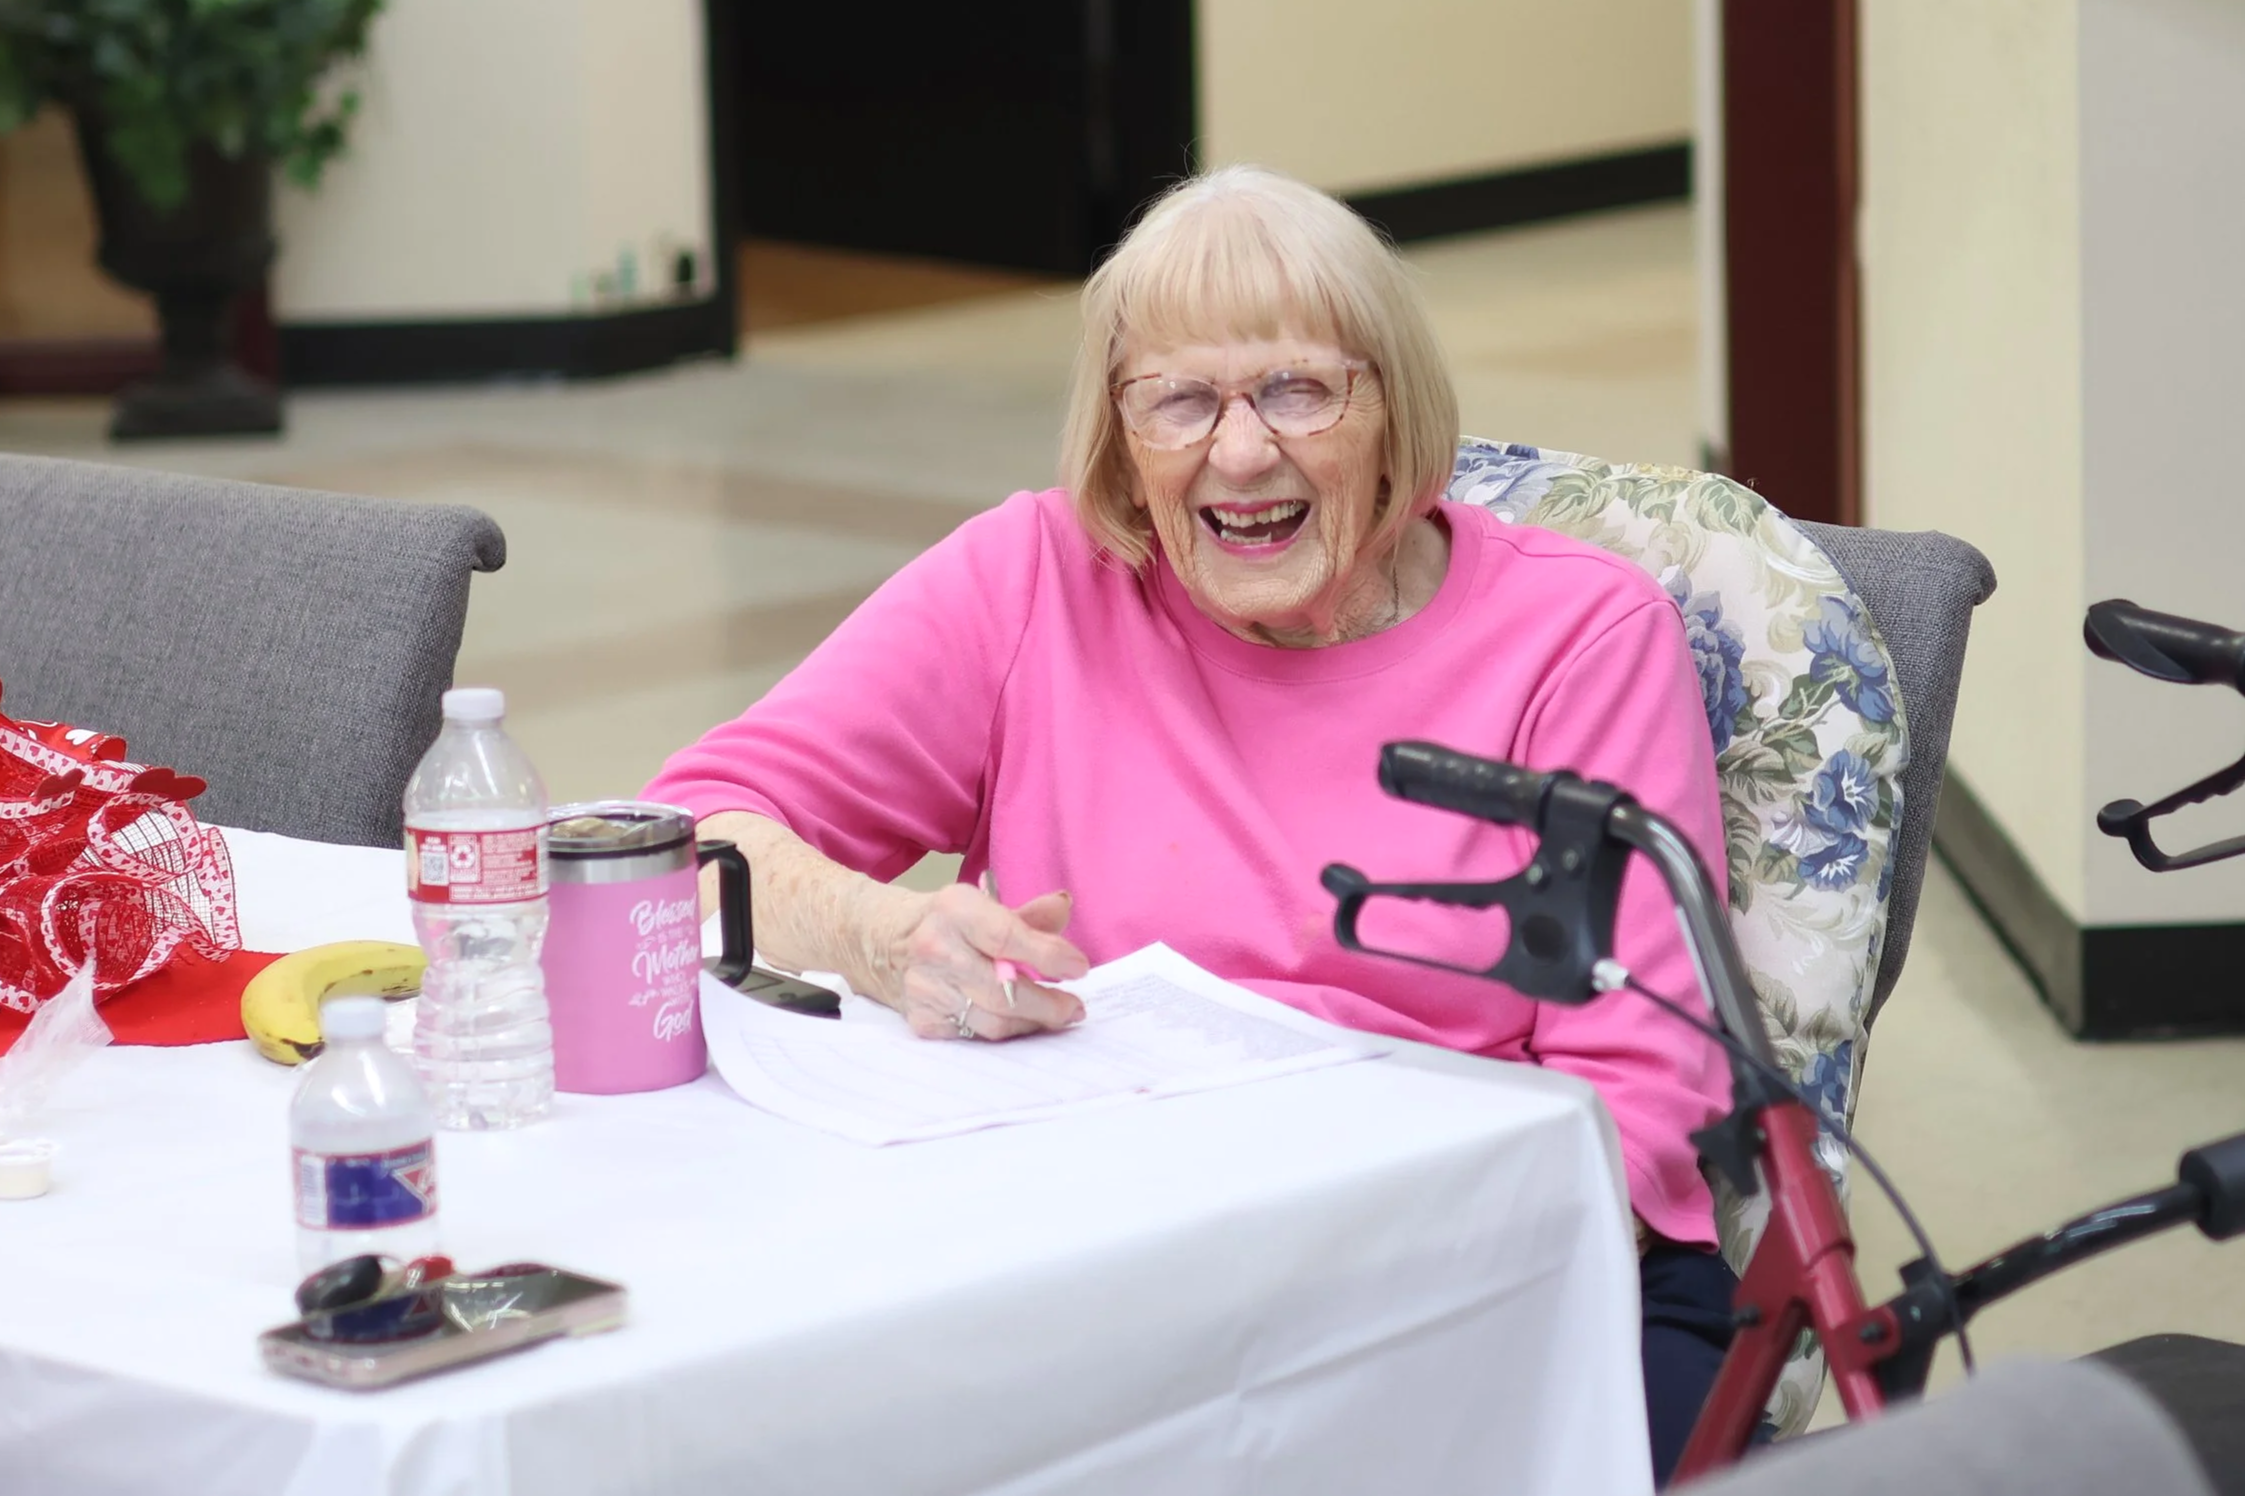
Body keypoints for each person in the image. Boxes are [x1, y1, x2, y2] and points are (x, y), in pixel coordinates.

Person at [648, 164, 1736, 1485]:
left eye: (1296, 388)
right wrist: (881, 936)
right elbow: (673, 831)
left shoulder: (1581, 639)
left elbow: (1636, 1105)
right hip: (1121, 1254)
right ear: (1118, 433)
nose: (1239, 451)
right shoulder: (1036, 579)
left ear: (1392, 405)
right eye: (1179, 400)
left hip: (1486, 1263)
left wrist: (1361, 1310)